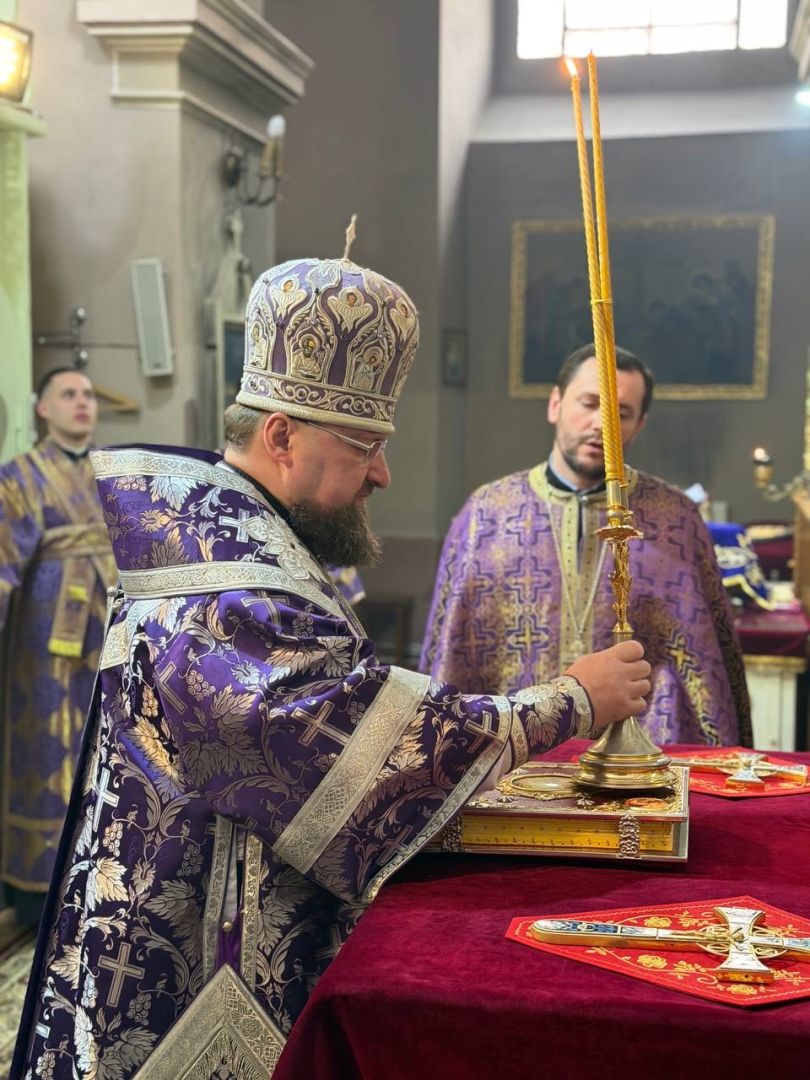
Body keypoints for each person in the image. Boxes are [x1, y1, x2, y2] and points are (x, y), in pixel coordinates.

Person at [15, 259, 650, 1079]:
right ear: (282, 437)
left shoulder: (237, 540)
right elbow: (345, 748)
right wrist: (573, 699)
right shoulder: (229, 588)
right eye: (366, 447)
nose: (381, 473)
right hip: (183, 980)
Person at [421, 343, 751, 748]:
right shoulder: (486, 515)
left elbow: (708, 674)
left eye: (621, 413)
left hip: (639, 765)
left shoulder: (674, 519)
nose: (602, 425)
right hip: (514, 758)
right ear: (555, 404)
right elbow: (449, 655)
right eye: (590, 404)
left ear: (639, 425)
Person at [0, 368, 116, 924]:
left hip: (108, 633)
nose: (82, 403)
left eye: (89, 394)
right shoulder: (17, 477)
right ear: (42, 409)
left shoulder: (114, 472)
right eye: (68, 395)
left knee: (105, 747)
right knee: (44, 746)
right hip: (43, 645)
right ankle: (36, 885)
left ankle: (98, 875)